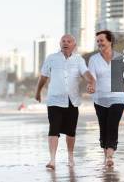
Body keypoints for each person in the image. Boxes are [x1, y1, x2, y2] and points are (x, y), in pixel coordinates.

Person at [35, 34, 96, 170]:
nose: (66, 43)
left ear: (74, 44)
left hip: (72, 100)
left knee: (71, 131)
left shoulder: (79, 59)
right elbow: (43, 76)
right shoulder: (51, 58)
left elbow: (85, 73)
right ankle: (52, 160)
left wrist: (91, 81)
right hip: (54, 100)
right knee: (53, 129)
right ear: (60, 43)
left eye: (69, 41)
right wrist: (38, 91)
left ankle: (70, 157)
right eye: (63, 41)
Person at [89, 30, 124, 168]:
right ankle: (106, 154)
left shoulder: (119, 58)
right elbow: (92, 77)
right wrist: (92, 86)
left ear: (110, 41)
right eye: (98, 41)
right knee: (104, 127)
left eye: (102, 40)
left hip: (118, 97)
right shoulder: (94, 59)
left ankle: (110, 155)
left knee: (112, 125)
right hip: (100, 98)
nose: (99, 43)